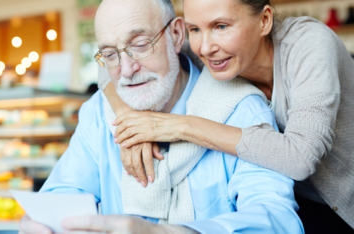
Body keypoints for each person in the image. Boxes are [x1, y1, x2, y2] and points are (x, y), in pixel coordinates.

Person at [20, 0, 304, 233]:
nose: (127, 69)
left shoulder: (242, 109)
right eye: (110, 54)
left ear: (177, 35)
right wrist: (40, 221)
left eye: (141, 44)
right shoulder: (99, 113)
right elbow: (62, 196)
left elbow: (278, 221)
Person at [101, 0, 354, 233]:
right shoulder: (210, 53)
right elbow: (107, 71)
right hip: (298, 203)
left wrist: (180, 126)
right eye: (194, 29)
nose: (205, 47)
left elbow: (301, 157)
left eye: (221, 26)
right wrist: (132, 123)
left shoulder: (309, 44)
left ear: (264, 20)